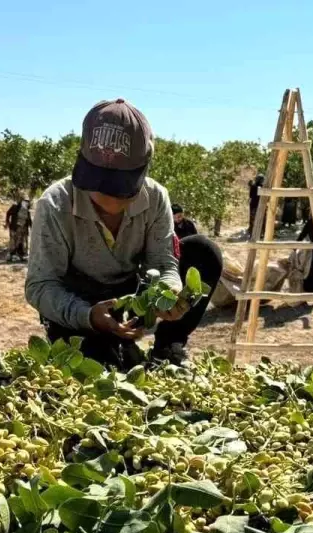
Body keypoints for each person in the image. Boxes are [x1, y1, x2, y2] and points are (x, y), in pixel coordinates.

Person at [25, 99, 223, 369]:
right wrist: (88, 316)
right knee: (103, 372)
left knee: (203, 251)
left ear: (143, 171)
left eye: (117, 185)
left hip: (130, 297)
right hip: (78, 302)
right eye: (96, 180)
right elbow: (40, 286)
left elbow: (163, 264)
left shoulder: (155, 198)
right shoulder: (55, 204)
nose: (105, 193)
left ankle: (167, 348)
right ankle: (104, 344)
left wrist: (170, 292)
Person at [5, 197, 32, 262]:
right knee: (14, 242)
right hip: (15, 228)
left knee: (22, 243)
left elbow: (29, 220)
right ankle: (12, 256)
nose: (26, 203)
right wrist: (7, 222)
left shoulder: (27, 211)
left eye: (27, 202)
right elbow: (8, 213)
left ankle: (21, 256)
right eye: (25, 201)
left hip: (23, 229)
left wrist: (32, 228)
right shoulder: (15, 207)